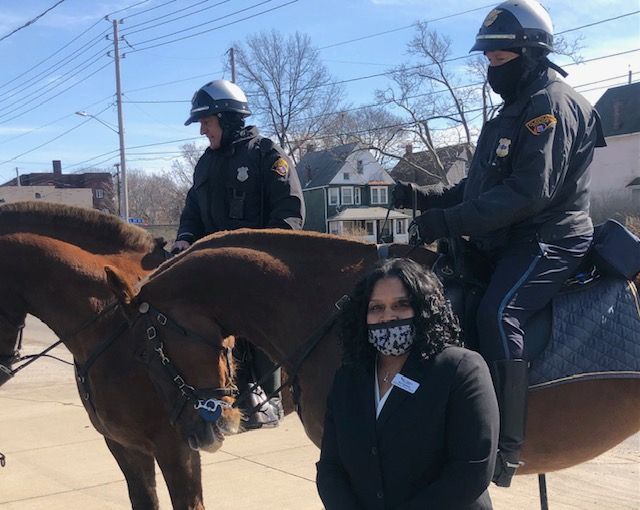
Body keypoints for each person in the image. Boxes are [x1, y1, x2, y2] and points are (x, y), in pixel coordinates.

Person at [392, 0, 605, 487]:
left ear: (531, 53)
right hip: (507, 239)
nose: (492, 68)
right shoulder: (509, 111)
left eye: (500, 59)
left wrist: (447, 223)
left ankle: (506, 445)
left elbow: (530, 192)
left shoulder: (551, 105)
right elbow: (477, 190)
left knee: (498, 312)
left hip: (549, 238)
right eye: (488, 59)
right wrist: (419, 199)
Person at [171, 79, 305, 429]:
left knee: (256, 315)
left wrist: (259, 259)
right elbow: (192, 213)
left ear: (226, 118)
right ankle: (207, 397)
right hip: (214, 271)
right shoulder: (204, 165)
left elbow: (289, 214)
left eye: (206, 122)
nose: (202, 130)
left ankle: (266, 396)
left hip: (257, 272)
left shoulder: (266, 156)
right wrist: (185, 240)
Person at [316, 258, 499, 509]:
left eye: (401, 305)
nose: (387, 317)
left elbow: (471, 471)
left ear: (423, 308)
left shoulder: (461, 369)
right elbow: (330, 467)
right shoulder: (347, 378)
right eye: (376, 308)